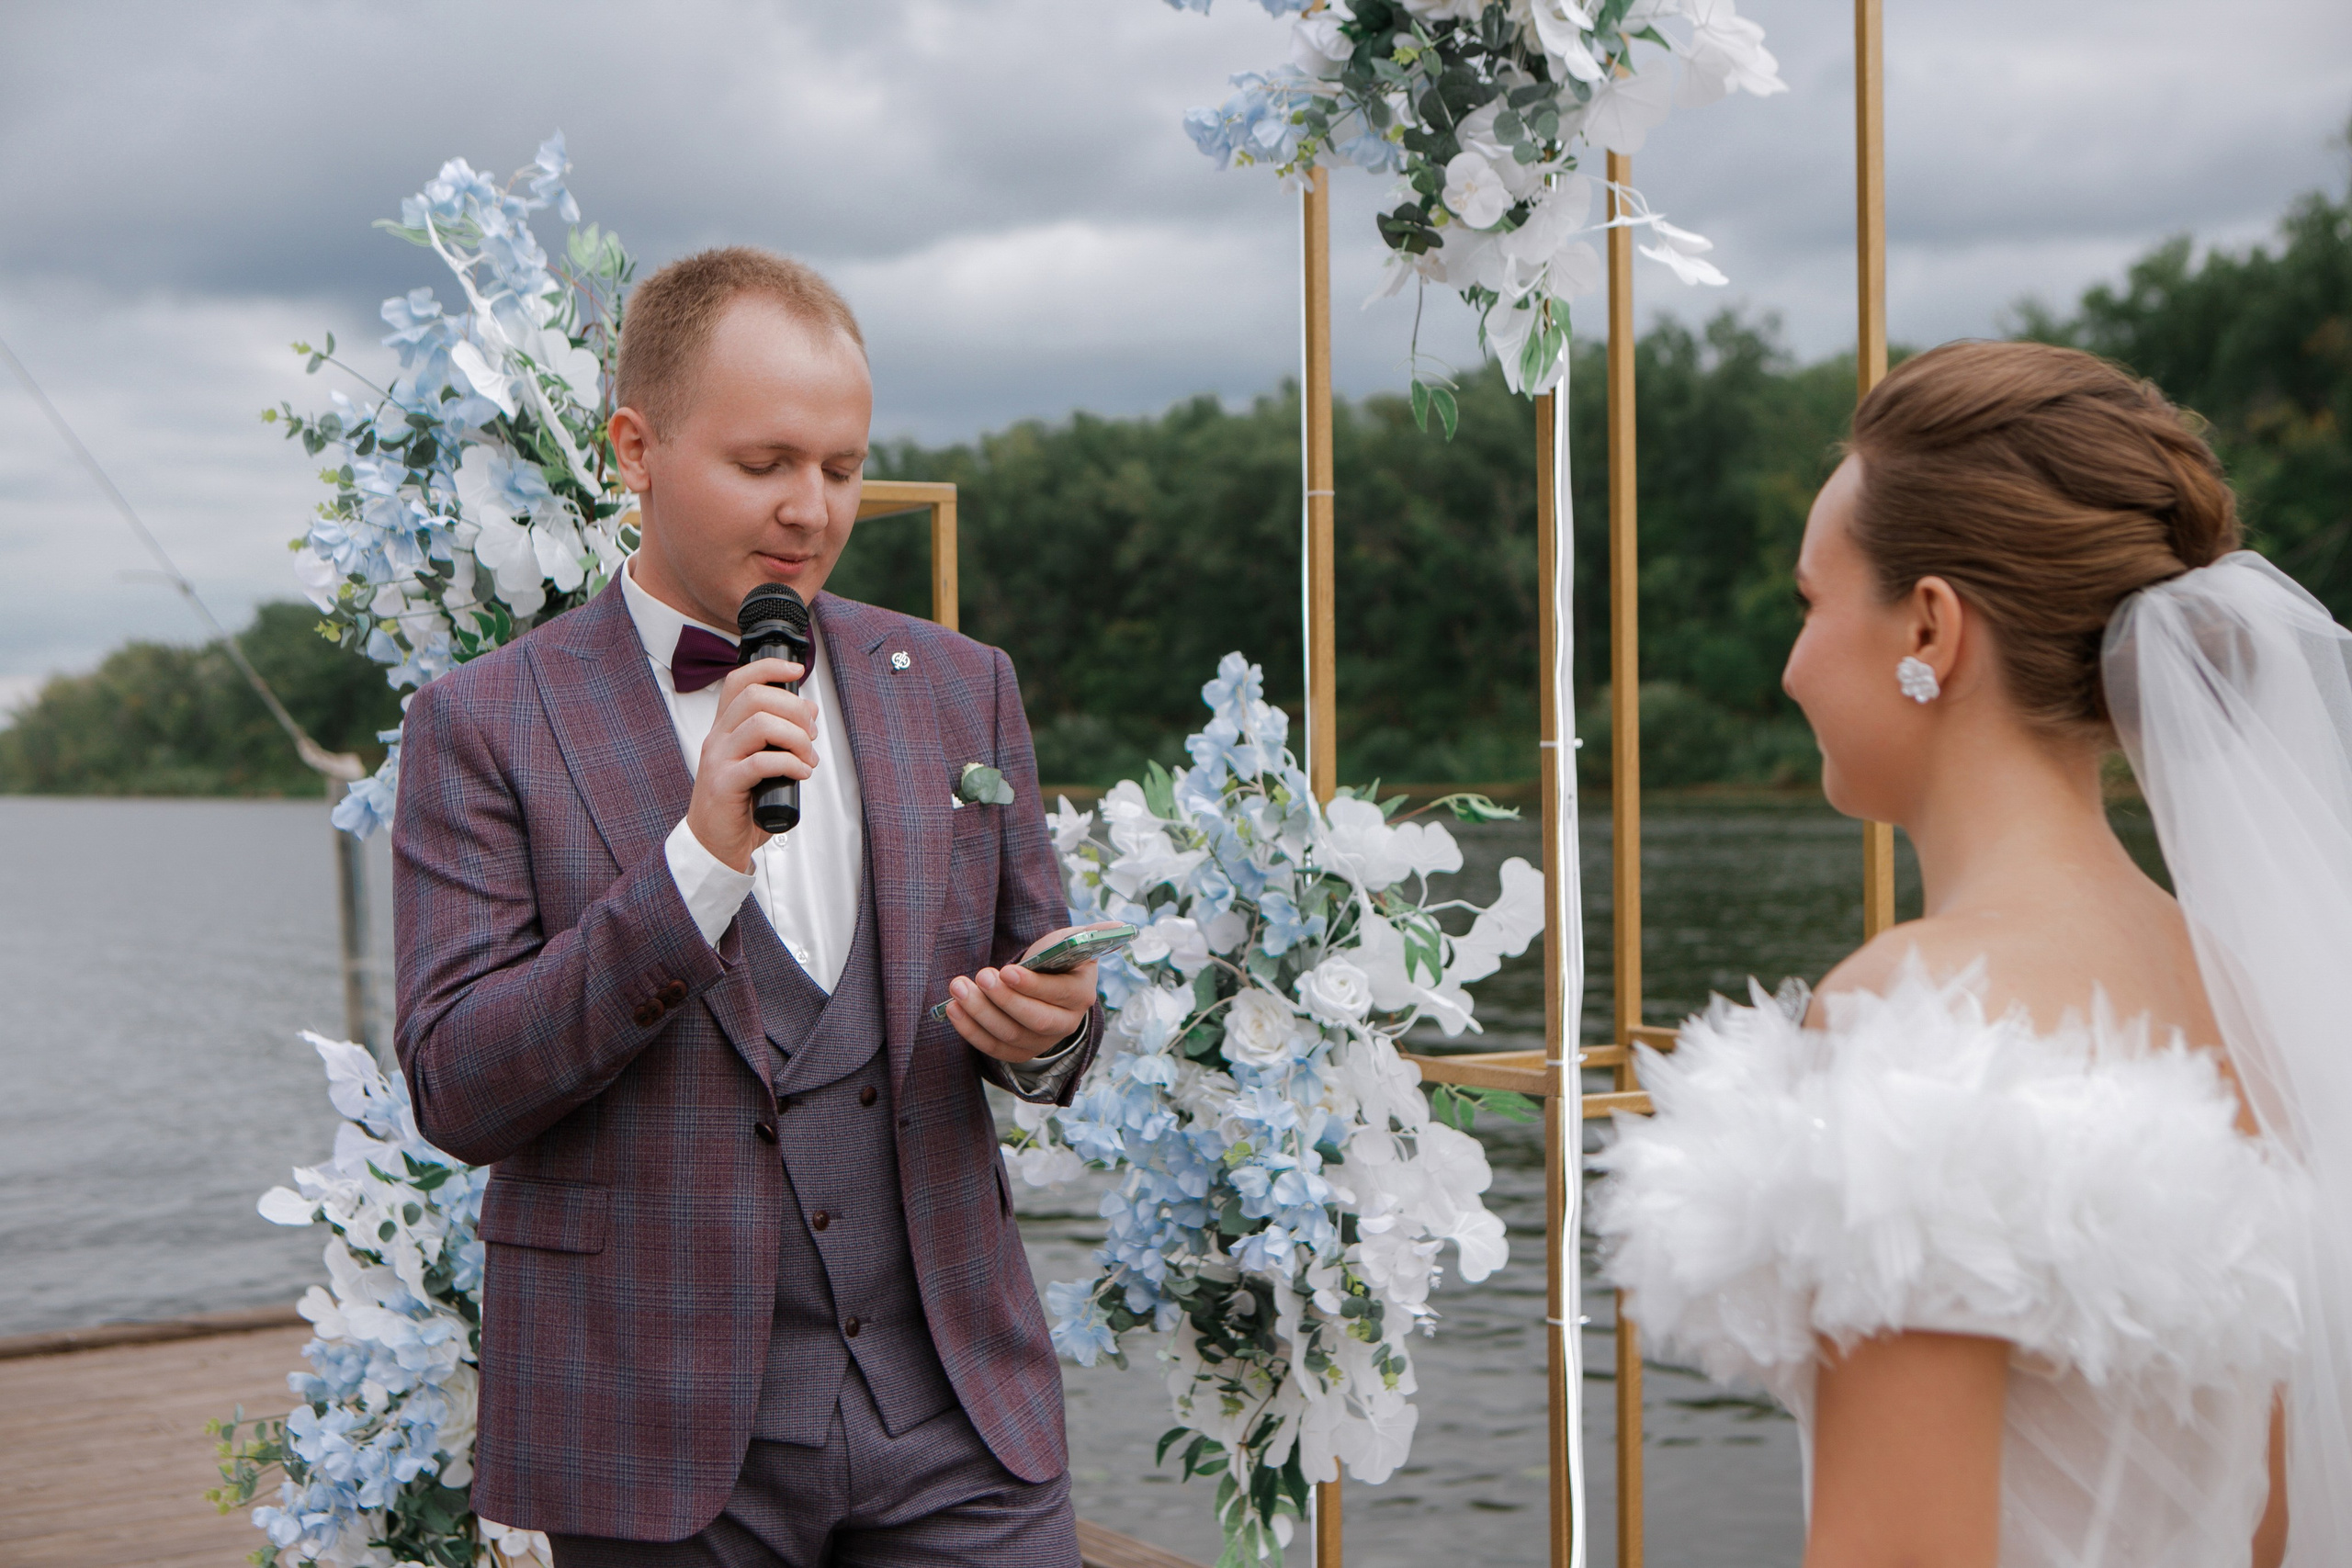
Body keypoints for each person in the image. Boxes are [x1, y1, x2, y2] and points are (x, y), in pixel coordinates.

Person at [392, 245, 1103, 1566]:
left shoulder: (961, 686)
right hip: (653, 1433)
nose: (813, 510)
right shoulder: (480, 725)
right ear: (636, 450)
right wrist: (695, 868)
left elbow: (1038, 978)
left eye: (841, 467)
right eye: (765, 463)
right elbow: (457, 1087)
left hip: (956, 1410)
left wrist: (1050, 1026)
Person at [1592, 340, 2352, 1567]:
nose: (1790, 667)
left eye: (1810, 601)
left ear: (1930, 628)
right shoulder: (2254, 999)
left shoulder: (1920, 1013)